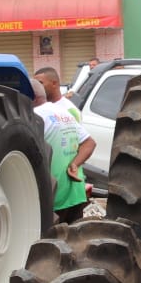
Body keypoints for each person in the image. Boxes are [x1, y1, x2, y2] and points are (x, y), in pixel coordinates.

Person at [31, 76, 96, 224]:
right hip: (75, 192)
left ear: (31, 97)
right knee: (74, 236)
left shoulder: (36, 116)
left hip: (54, 197)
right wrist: (74, 164)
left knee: (53, 237)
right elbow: (89, 143)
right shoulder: (63, 112)